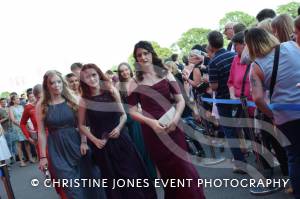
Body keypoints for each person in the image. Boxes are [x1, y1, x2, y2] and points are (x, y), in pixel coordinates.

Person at [128, 41, 205, 199]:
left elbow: (180, 100)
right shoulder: (133, 82)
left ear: (152, 54)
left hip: (174, 126)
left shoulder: (166, 73)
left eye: (146, 53)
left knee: (183, 166)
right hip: (153, 132)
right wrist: (152, 123)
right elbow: (132, 112)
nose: (143, 57)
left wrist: (176, 119)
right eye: (139, 55)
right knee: (167, 173)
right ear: (136, 59)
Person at [78, 63, 157, 199]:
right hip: (103, 146)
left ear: (99, 75)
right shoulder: (84, 101)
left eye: (94, 75)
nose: (91, 79)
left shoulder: (111, 91)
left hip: (122, 141)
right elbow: (81, 125)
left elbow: (124, 115)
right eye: (87, 77)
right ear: (83, 80)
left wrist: (119, 128)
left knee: (132, 176)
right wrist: (95, 140)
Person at [246, 27, 300, 199]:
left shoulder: (256, 66)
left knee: (294, 156)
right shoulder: (292, 45)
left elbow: (258, 99)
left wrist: (271, 115)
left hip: (286, 117)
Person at [36, 70, 106, 199]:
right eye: (52, 83)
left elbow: (82, 124)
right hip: (57, 150)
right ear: (47, 85)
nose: (56, 85)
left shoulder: (73, 99)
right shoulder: (41, 106)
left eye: (58, 82)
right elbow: (41, 133)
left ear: (63, 83)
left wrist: (84, 142)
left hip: (78, 145)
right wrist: (43, 157)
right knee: (72, 189)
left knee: (90, 183)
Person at [207, 31, 247, 173]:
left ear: (211, 45)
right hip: (238, 97)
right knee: (243, 126)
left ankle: (240, 163)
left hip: (224, 100)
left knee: (230, 131)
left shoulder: (213, 62)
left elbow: (214, 86)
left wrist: (208, 80)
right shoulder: (234, 55)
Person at [116, 62, 157, 180]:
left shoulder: (137, 80)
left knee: (148, 144)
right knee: (138, 146)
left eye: (126, 69)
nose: (124, 72)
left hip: (144, 113)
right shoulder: (118, 85)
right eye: (122, 71)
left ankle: (153, 173)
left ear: (130, 69)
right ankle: (144, 175)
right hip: (129, 117)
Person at [8, 94, 34, 166]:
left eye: (18, 99)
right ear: (13, 100)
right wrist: (21, 125)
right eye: (16, 99)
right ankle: (21, 161)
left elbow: (26, 117)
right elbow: (13, 120)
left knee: (27, 143)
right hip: (17, 128)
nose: (18, 100)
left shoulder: (22, 107)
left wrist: (27, 126)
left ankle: (30, 158)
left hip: (24, 126)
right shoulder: (11, 108)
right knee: (19, 145)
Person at [20, 84, 42, 158]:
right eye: (38, 96)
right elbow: (22, 124)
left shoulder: (48, 103)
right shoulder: (28, 108)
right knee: (45, 163)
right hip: (40, 137)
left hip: (54, 136)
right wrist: (28, 137)